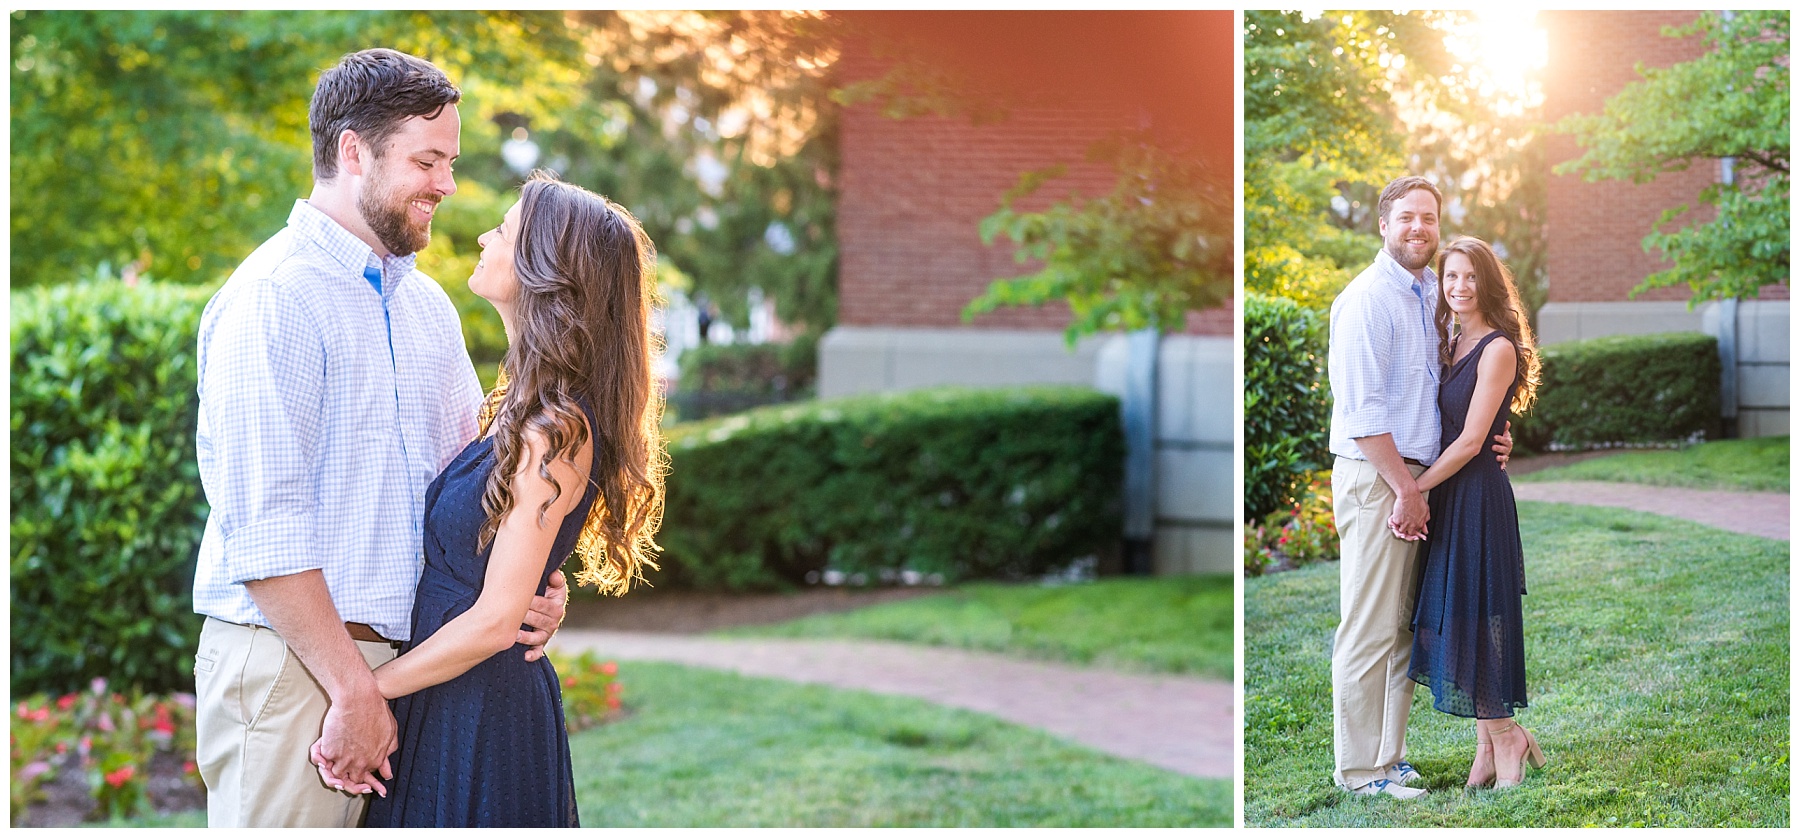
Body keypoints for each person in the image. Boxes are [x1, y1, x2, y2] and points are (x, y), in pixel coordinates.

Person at [190, 48, 568, 828]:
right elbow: (266, 530)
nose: (448, 185)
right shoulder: (274, 299)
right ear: (353, 153)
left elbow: (472, 481)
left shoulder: (426, 306)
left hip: (413, 669)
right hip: (298, 670)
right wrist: (352, 689)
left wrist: (530, 579)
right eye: (427, 160)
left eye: (452, 161)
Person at [343, 172, 667, 827]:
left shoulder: (556, 430)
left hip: (481, 709)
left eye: (505, 229)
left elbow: (496, 620)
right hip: (445, 689)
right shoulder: (517, 407)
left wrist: (365, 694)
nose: (486, 236)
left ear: (546, 269)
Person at [1325, 176, 1510, 799]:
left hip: (1421, 482)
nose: (1419, 229)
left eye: (1428, 218)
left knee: (1404, 627)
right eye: (1406, 218)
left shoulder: (1430, 291)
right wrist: (1407, 488)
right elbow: (1362, 412)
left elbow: (1457, 389)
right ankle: (1359, 772)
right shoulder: (1367, 300)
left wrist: (1492, 439)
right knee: (1369, 626)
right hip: (1382, 479)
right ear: (1382, 224)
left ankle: (1390, 760)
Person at [1403, 236, 1546, 789]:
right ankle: (1489, 747)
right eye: (1449, 277)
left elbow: (1468, 443)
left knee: (1480, 610)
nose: (1458, 287)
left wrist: (1412, 488)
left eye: (1468, 276)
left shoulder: (1498, 347)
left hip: (1477, 494)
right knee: (1455, 616)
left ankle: (1506, 735)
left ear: (1487, 282)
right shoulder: (1451, 340)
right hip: (1449, 494)